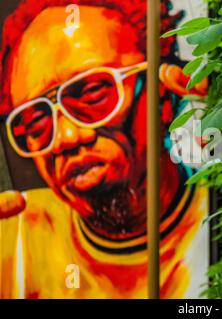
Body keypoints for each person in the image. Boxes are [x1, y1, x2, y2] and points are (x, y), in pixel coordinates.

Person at [0, 0, 206, 298]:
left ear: (161, 91)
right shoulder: (15, 237)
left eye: (94, 93)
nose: (66, 137)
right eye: (36, 122)